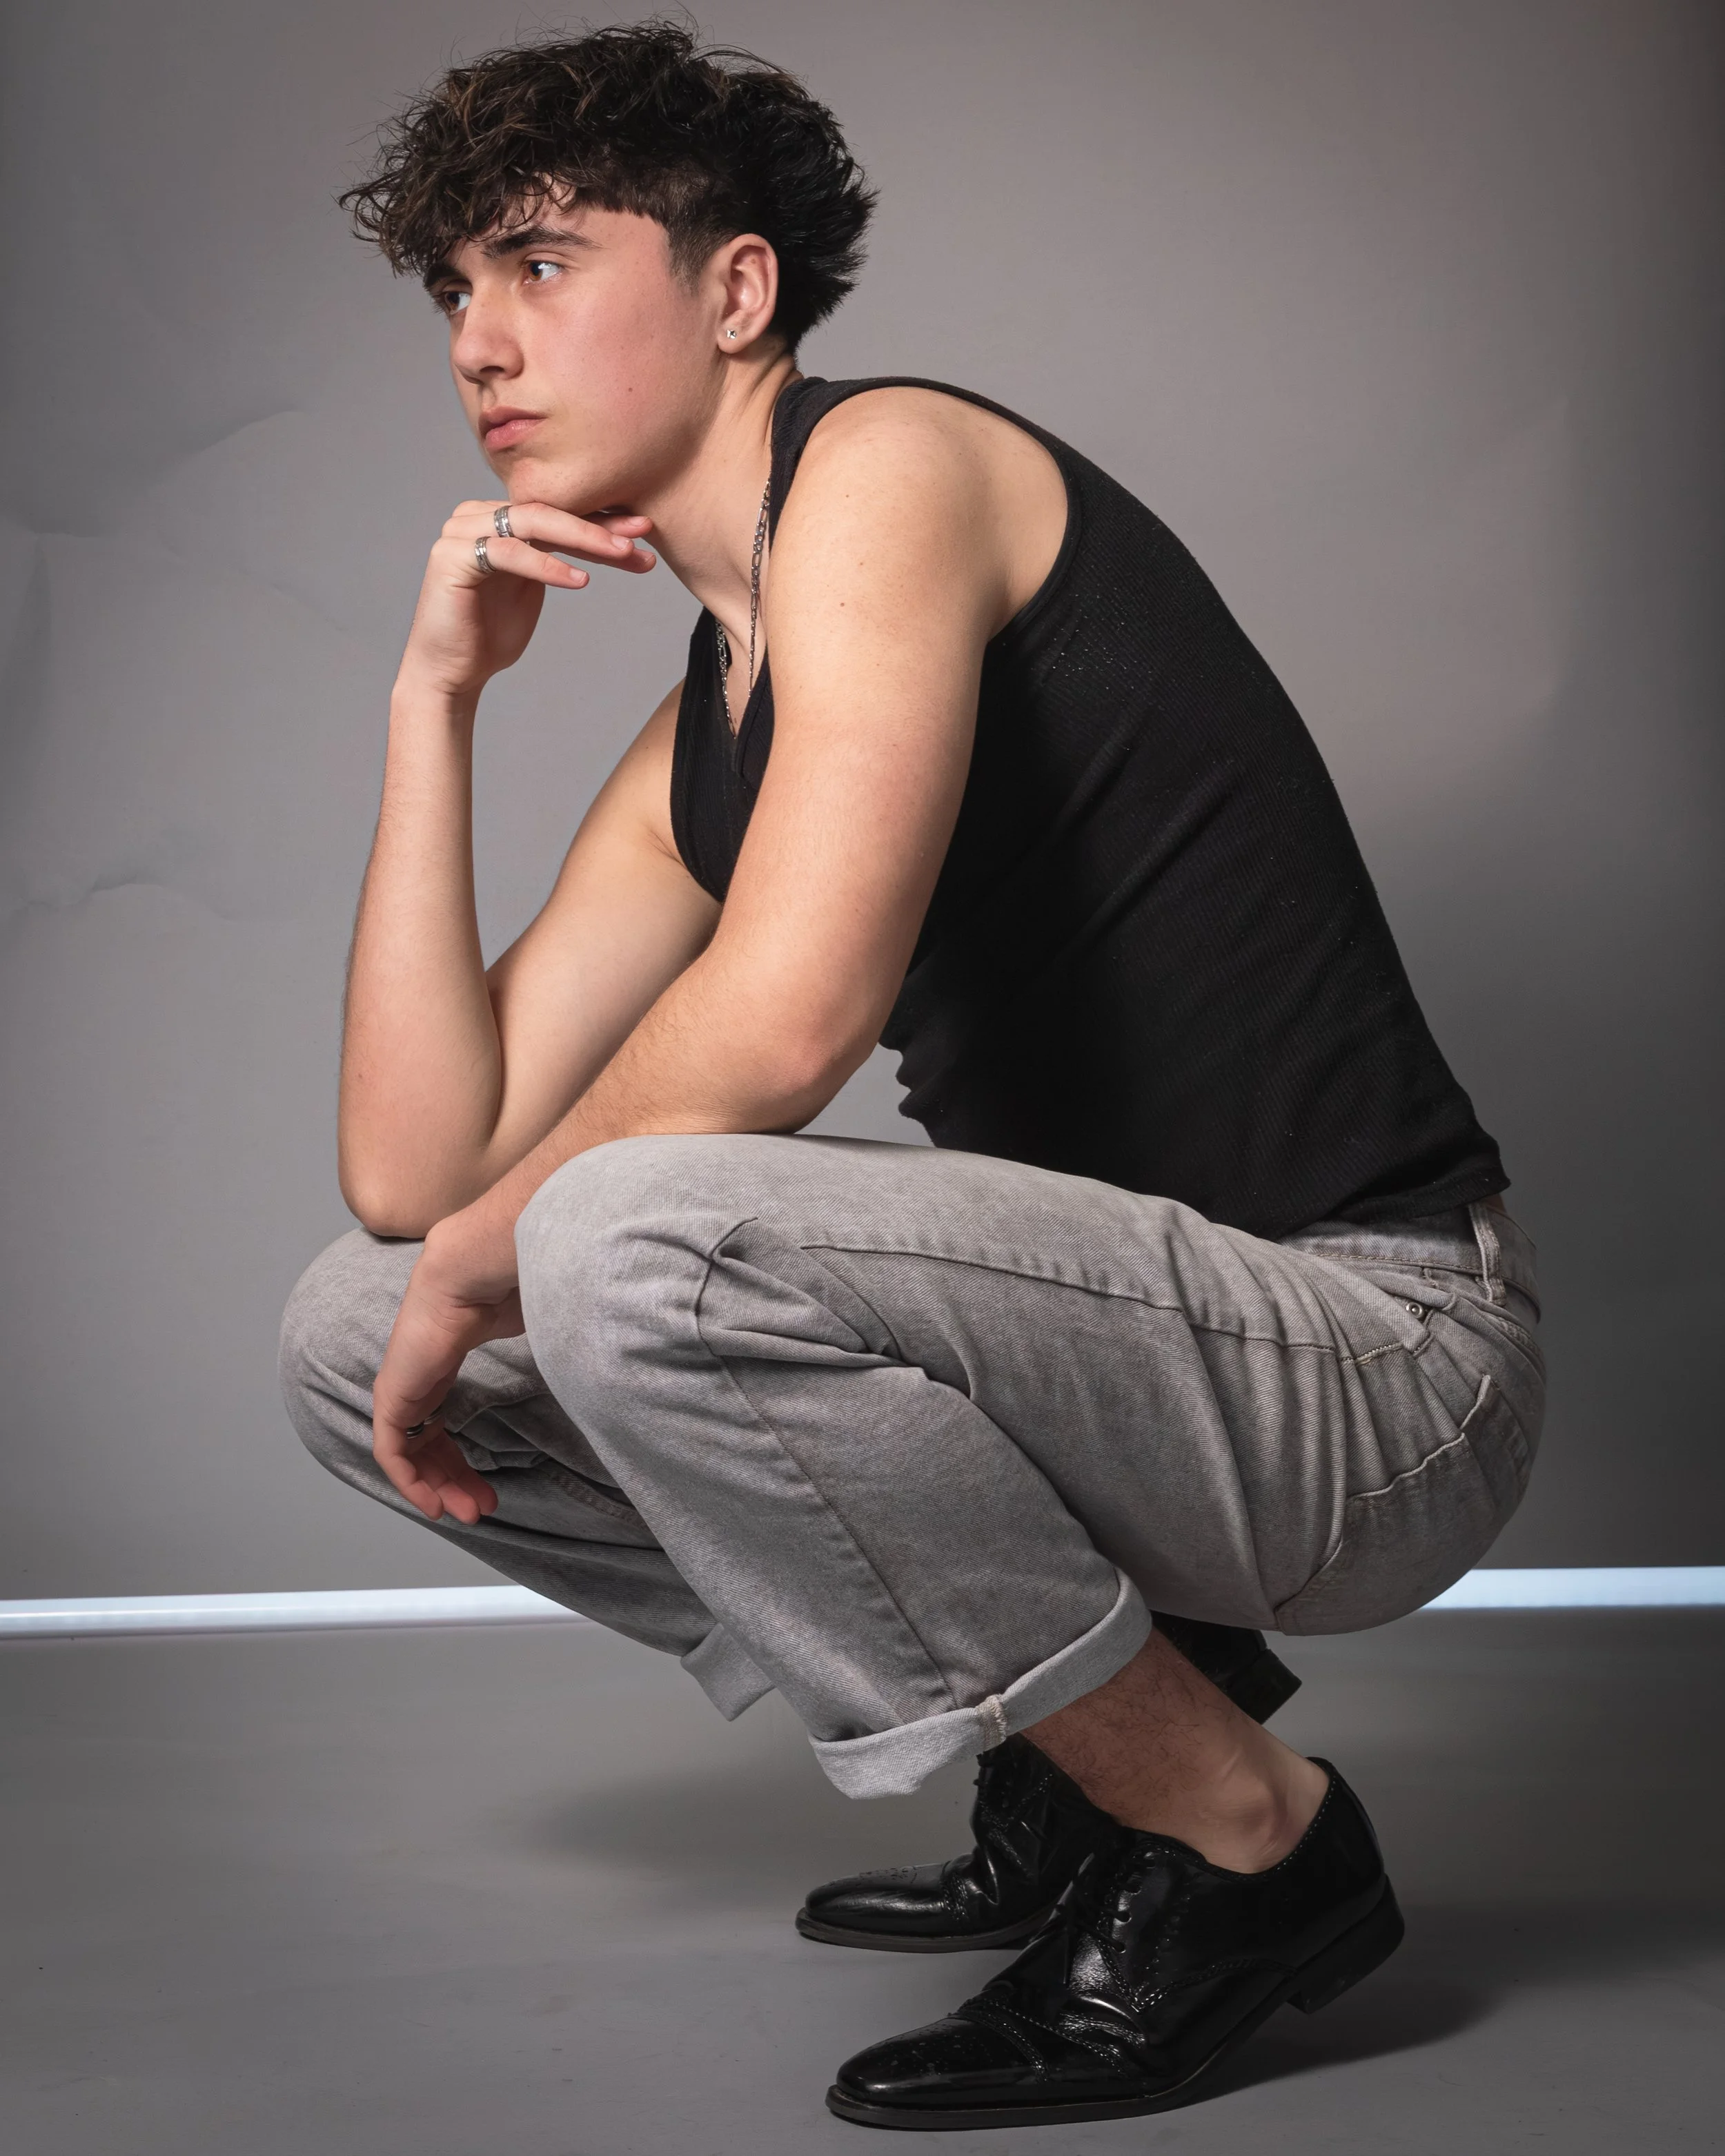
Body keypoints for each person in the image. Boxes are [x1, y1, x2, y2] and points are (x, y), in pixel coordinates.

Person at [279, 20, 1546, 2130]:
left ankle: (1243, 1837)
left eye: (535, 262)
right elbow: (415, 1167)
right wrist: (435, 706)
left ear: (736, 290)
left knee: (622, 1234)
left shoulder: (892, 470)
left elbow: (777, 1029)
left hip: (1378, 1361)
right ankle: (1090, 1748)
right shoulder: (711, 712)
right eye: (453, 293)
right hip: (1145, 1374)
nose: (479, 344)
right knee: (352, 1329)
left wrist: (494, 1252)